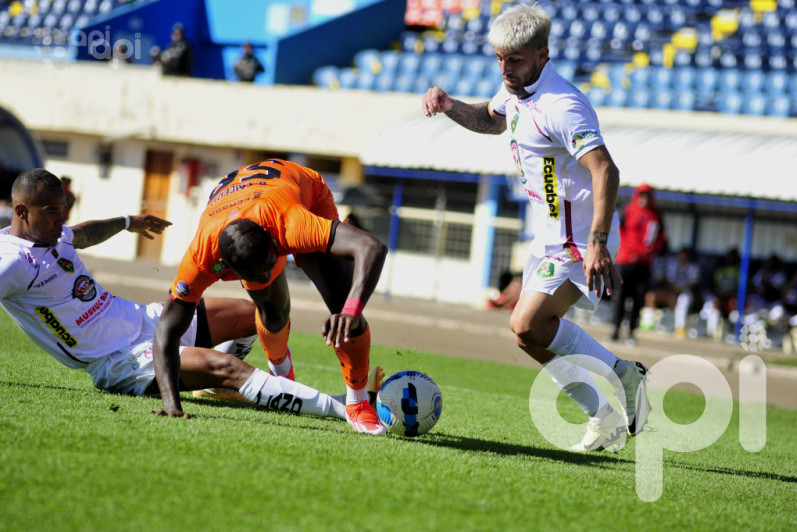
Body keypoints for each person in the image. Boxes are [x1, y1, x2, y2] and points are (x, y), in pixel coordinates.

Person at [421, 3, 650, 452]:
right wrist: (449, 106)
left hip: (581, 240)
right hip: (549, 238)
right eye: (500, 60)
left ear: (542, 55)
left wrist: (599, 245)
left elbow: (606, 171)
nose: (505, 69)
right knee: (528, 335)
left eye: (516, 60)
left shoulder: (563, 106)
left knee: (526, 323)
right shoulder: (516, 89)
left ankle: (625, 374)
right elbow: (492, 119)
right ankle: (602, 417)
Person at [0, 169, 356, 423]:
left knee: (257, 315)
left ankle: (215, 389)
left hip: (144, 319)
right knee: (228, 367)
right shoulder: (12, 261)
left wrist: (128, 222)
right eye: (52, 211)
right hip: (120, 359)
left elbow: (81, 234)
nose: (62, 216)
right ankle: (345, 409)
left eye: (64, 207)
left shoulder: (54, 233)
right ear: (21, 211)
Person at [153, 159, 389, 435]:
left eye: (269, 267)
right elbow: (166, 330)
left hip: (302, 191)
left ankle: (358, 403)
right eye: (257, 274)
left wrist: (350, 309)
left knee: (341, 298)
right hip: (245, 203)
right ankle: (281, 375)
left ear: (274, 245)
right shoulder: (200, 257)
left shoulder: (291, 222)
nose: (267, 277)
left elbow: (371, 247)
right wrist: (171, 404)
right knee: (272, 311)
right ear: (226, 269)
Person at [609, 183, 666, 344]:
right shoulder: (627, 211)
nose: (644, 198)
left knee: (638, 298)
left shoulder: (656, 216)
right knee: (619, 297)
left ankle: (631, 332)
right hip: (624, 261)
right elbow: (617, 233)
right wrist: (627, 252)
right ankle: (615, 329)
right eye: (642, 194)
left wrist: (645, 253)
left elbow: (660, 239)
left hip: (643, 264)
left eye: (648, 195)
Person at [642, 246, 702, 338]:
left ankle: (680, 328)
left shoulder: (694, 267)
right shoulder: (673, 265)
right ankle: (648, 324)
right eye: (680, 257)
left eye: (684, 257)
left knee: (683, 300)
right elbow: (669, 282)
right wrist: (673, 292)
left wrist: (678, 291)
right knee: (650, 296)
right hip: (672, 291)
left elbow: (693, 285)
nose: (682, 259)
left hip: (687, 293)